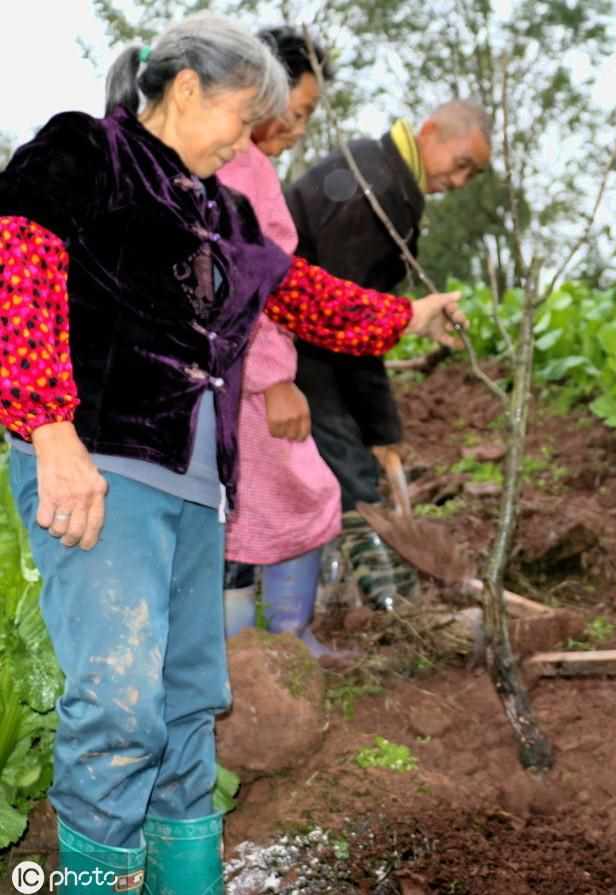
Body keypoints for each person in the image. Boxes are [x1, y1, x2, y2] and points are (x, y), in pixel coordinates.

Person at [0, 15, 463, 895]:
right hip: (101, 467)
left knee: (186, 707)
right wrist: (49, 432)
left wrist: (409, 315)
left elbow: (302, 296)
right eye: (242, 117)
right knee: (119, 703)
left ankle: (188, 886)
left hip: (194, 486)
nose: (249, 139)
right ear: (184, 90)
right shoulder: (85, 151)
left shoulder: (221, 206)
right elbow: (16, 258)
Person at [285, 99, 492, 611]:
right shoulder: (371, 192)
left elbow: (362, 326)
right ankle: (393, 614)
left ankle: (334, 602)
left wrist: (382, 430)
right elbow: (341, 323)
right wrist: (375, 434)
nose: (461, 182)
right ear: (430, 132)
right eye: (462, 163)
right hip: (291, 347)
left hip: (308, 345)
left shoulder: (383, 181)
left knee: (343, 467)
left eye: (475, 174)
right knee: (351, 474)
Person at [217, 26, 345, 661]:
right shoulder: (244, 169)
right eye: (298, 112)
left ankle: (260, 655)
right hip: (245, 378)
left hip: (219, 376)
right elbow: (255, 283)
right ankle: (273, 652)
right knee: (296, 493)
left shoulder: (230, 161)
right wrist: (276, 378)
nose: (298, 129)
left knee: (233, 510)